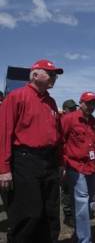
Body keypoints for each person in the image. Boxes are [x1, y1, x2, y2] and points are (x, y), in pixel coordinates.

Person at [0, 59, 63, 242]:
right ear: (35, 75)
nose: (54, 78)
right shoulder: (16, 97)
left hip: (49, 162)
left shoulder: (51, 102)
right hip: (25, 161)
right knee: (28, 215)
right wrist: (4, 169)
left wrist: (59, 162)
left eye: (55, 75)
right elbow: (4, 133)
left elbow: (57, 136)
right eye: (50, 74)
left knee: (50, 213)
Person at [61, 92, 95, 243]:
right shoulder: (69, 119)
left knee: (89, 202)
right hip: (76, 166)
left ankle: (80, 232)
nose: (91, 106)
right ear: (81, 103)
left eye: (94, 104)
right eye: (89, 103)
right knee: (82, 201)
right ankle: (84, 239)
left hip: (92, 167)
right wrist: (63, 163)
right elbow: (61, 141)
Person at [61, 99, 79, 227]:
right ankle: (68, 215)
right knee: (67, 189)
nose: (73, 111)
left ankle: (75, 213)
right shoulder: (62, 121)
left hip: (75, 161)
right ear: (65, 109)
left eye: (74, 108)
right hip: (65, 160)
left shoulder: (76, 120)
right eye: (71, 109)